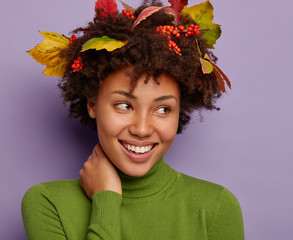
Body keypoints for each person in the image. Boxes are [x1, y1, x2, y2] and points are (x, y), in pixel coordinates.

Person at [22, 0, 244, 239]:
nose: (141, 129)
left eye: (163, 109)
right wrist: (106, 200)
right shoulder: (48, 203)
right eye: (124, 105)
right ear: (92, 104)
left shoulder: (216, 206)